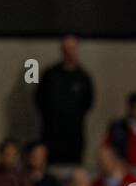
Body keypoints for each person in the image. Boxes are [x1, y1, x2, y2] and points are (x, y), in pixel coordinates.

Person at [35, 35, 94, 165]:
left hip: (74, 135)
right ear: (62, 51)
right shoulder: (50, 74)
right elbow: (39, 100)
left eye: (73, 49)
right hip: (52, 135)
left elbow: (88, 102)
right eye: (67, 49)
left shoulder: (83, 77)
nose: (70, 52)